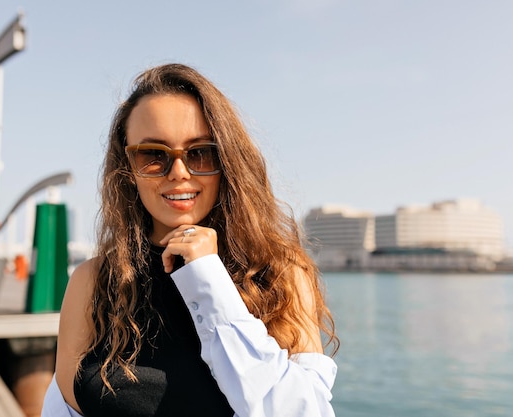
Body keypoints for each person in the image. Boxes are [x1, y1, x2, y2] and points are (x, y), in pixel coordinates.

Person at [42, 63, 339, 417]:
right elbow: (65, 408)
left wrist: (208, 280)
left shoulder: (281, 274)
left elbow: (302, 411)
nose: (179, 172)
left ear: (227, 160)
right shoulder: (93, 282)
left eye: (200, 152)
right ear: (127, 167)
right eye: (153, 155)